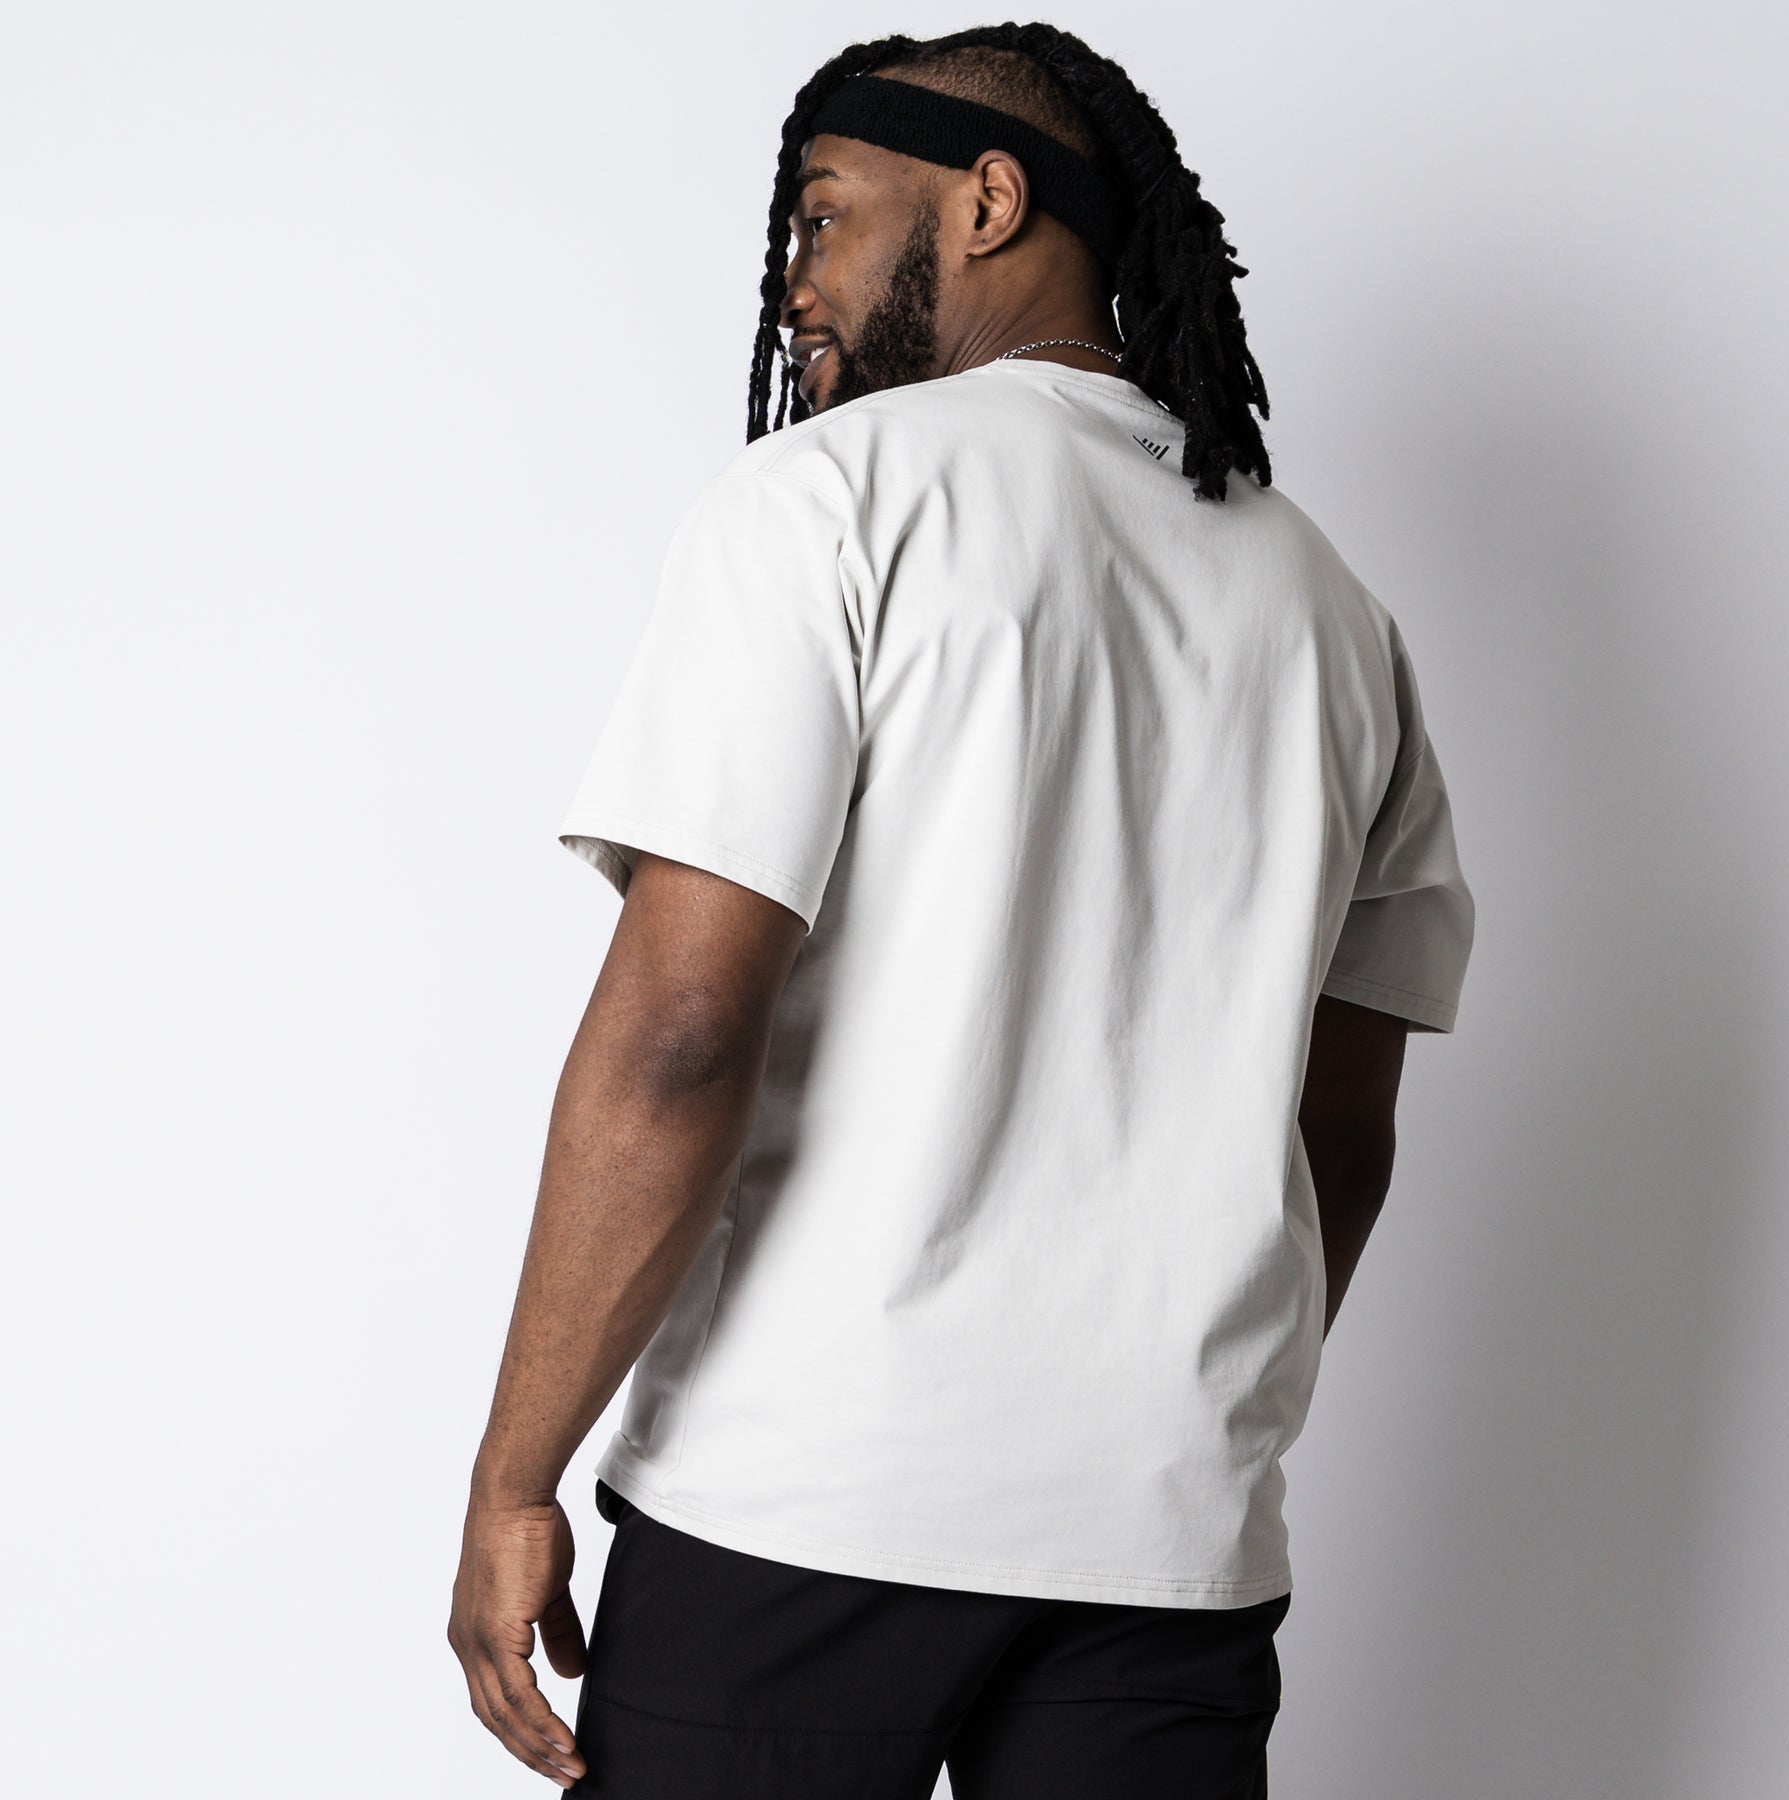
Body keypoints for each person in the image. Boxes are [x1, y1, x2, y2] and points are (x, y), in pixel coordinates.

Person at [448, 21, 1475, 1799]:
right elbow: (1346, 1131)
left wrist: (513, 1475)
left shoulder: (827, 505)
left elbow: (681, 1033)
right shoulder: (1335, 614)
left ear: (990, 202)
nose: (794, 282)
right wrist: (1193, 1406)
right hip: (1167, 1544)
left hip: (806, 1501)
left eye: (824, 216)